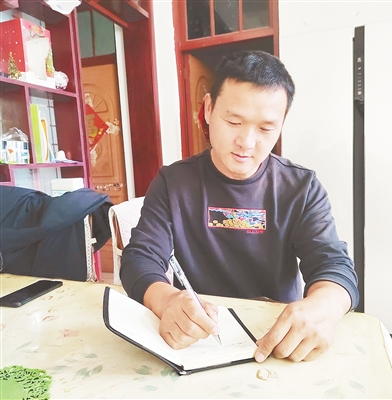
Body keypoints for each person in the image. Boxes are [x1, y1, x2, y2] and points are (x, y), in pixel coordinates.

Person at [120, 50, 359, 363]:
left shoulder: (300, 188)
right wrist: (167, 301)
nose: (246, 142)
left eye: (266, 129)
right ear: (208, 109)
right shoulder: (173, 182)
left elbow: (334, 265)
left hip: (277, 340)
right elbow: (140, 257)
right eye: (234, 121)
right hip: (199, 340)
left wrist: (324, 307)